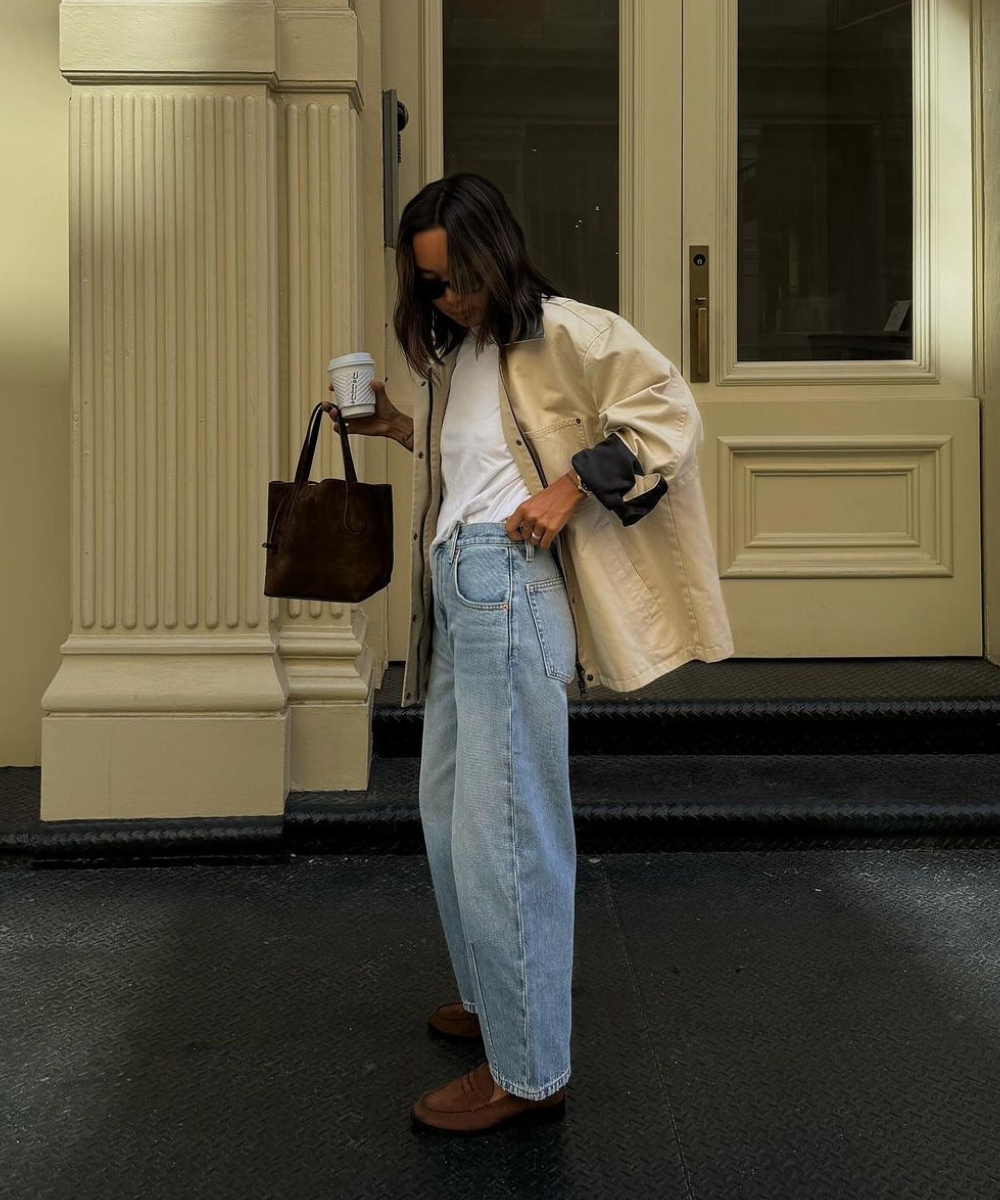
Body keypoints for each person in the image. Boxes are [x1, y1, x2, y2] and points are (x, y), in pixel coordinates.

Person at [322, 172, 734, 1136]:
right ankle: (495, 993)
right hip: (462, 594)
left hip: (505, 586)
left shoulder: (570, 330)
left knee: (506, 831)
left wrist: (571, 492)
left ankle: (530, 1066)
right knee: (448, 815)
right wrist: (393, 427)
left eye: (458, 278)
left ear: (495, 254)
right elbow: (486, 457)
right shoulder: (468, 350)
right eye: (430, 284)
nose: (448, 298)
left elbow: (671, 414)